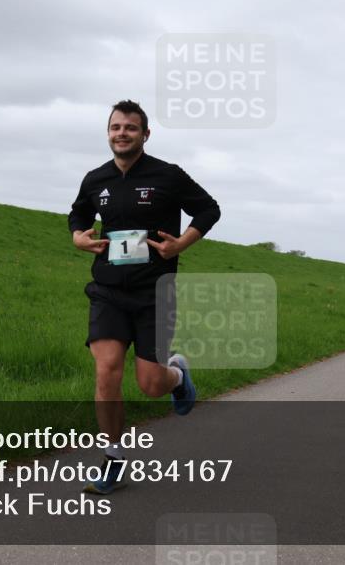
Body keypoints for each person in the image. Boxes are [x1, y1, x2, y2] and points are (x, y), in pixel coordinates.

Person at [68, 100, 221, 495]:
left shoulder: (167, 175)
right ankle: (114, 459)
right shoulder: (95, 179)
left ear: (145, 134)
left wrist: (181, 244)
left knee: (151, 384)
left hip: (155, 291)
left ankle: (177, 374)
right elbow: (78, 216)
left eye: (130, 128)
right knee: (106, 371)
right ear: (108, 132)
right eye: (116, 127)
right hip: (107, 290)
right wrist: (78, 237)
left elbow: (208, 209)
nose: (122, 133)